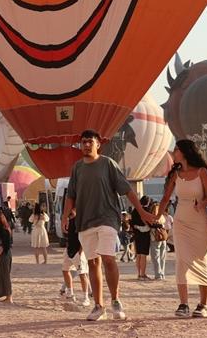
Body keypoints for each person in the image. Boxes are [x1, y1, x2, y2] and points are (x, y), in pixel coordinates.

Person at [61, 129, 154, 322]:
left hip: (107, 218)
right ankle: (99, 306)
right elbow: (71, 195)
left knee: (108, 259)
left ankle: (116, 300)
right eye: (83, 142)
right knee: (93, 262)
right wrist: (65, 216)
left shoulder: (107, 164)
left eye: (90, 142)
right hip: (84, 222)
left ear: (98, 144)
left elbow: (127, 190)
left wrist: (142, 211)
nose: (86, 145)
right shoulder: (76, 168)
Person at [157, 139, 207, 318]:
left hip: (199, 220)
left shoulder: (202, 172)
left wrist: (202, 203)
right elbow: (166, 198)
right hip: (181, 221)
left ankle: (203, 305)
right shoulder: (175, 173)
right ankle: (183, 304)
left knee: (201, 260)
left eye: (176, 149)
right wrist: (157, 215)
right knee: (182, 260)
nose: (173, 152)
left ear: (185, 152)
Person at [59, 218, 91, 308]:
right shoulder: (69, 220)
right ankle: (70, 293)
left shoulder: (80, 221)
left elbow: (84, 236)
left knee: (82, 274)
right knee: (65, 270)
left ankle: (86, 297)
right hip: (69, 249)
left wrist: (81, 250)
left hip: (78, 251)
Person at [130, 196, 153, 280]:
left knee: (138, 254)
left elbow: (131, 222)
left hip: (137, 234)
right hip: (145, 234)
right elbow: (150, 223)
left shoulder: (134, 210)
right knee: (143, 255)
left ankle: (139, 274)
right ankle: (143, 274)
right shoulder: (146, 211)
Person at [149, 200, 168, 281]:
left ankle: (158, 275)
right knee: (162, 257)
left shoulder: (151, 217)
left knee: (155, 257)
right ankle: (162, 274)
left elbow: (149, 226)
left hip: (155, 238)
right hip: (163, 238)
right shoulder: (162, 217)